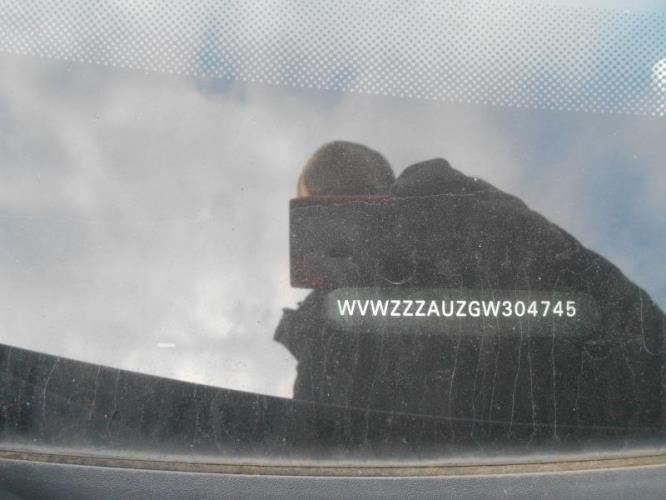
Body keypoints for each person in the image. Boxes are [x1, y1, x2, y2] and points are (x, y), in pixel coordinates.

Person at [275, 141, 665, 443]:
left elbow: (311, 455)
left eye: (318, 225)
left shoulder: (338, 315)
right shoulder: (495, 219)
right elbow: (637, 334)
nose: (320, 254)